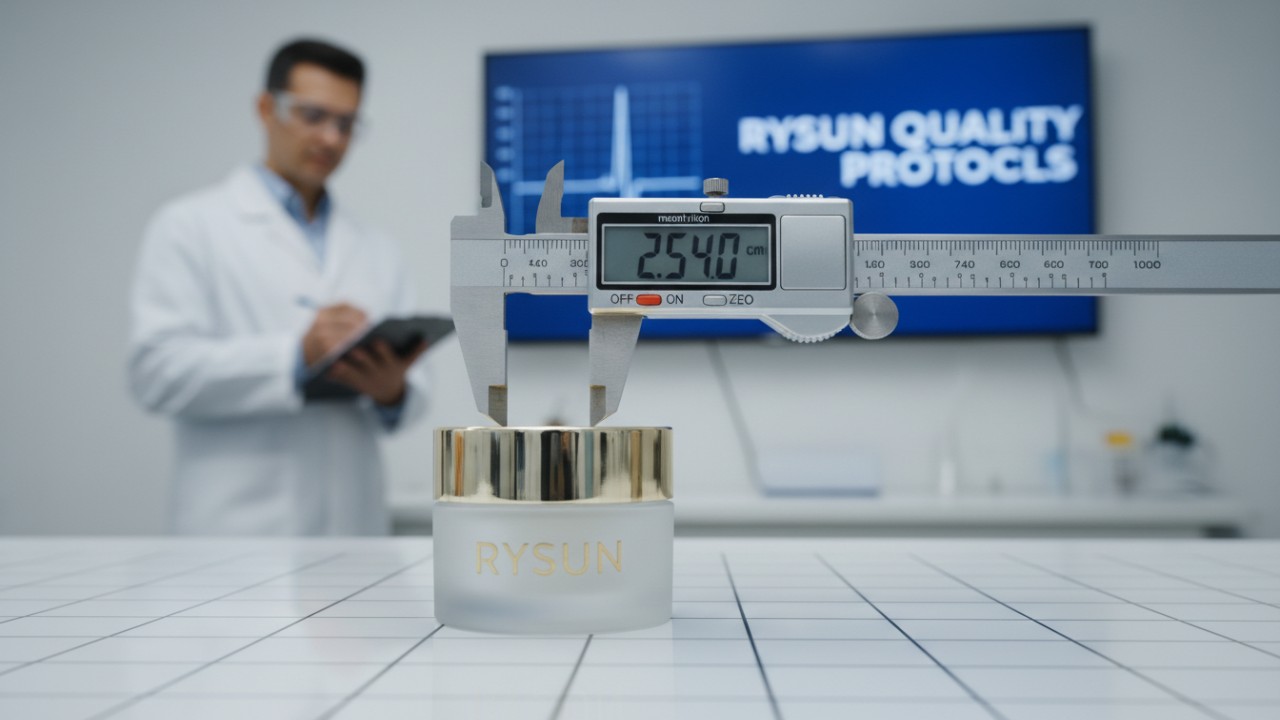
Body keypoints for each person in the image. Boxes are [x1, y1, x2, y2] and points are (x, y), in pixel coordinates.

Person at [128, 39, 429, 535]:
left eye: (346, 123)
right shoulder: (189, 226)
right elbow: (155, 373)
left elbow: (416, 394)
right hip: (235, 540)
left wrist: (391, 390)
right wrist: (294, 358)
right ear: (266, 109)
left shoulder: (377, 247)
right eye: (313, 115)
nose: (331, 138)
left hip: (353, 537)